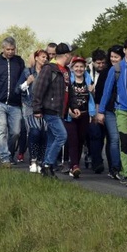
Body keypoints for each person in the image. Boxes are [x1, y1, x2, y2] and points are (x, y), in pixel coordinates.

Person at [96, 38, 127, 186]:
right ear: (124, 51)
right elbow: (107, 91)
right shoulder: (116, 69)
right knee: (124, 142)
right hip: (121, 111)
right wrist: (101, 111)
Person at [0, 36, 26, 167]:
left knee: (15, 132)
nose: (10, 52)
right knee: (1, 131)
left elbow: (22, 82)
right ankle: (5, 158)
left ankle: (10, 153)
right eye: (8, 49)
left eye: (13, 49)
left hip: (15, 103)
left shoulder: (19, 62)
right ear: (3, 48)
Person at [31, 43, 72, 178]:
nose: (71, 56)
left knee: (52, 138)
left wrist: (73, 107)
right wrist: (37, 108)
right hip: (50, 109)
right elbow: (38, 89)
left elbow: (68, 91)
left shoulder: (66, 70)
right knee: (62, 136)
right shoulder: (50, 69)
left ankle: (46, 168)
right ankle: (48, 164)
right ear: (66, 55)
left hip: (61, 111)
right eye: (70, 54)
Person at [64, 56, 95, 179]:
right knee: (73, 139)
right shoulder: (68, 80)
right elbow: (65, 98)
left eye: (81, 66)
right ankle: (75, 165)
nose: (79, 69)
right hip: (70, 115)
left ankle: (74, 165)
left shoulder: (88, 79)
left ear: (85, 68)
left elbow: (91, 99)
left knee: (81, 140)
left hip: (84, 114)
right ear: (72, 68)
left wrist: (92, 91)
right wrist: (69, 111)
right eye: (76, 66)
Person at [18, 50, 48, 172]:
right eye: (42, 57)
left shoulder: (48, 72)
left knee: (44, 133)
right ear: (36, 58)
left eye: (46, 57)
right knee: (34, 132)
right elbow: (18, 89)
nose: (45, 59)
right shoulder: (28, 71)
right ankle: (33, 160)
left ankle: (41, 160)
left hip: (45, 107)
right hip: (29, 106)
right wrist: (27, 82)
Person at [100, 45, 124, 179]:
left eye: (116, 57)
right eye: (112, 57)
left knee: (124, 139)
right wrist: (100, 110)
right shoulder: (107, 72)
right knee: (114, 139)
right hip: (110, 110)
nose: (114, 59)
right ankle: (115, 168)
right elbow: (103, 93)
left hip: (124, 109)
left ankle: (125, 166)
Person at [87, 49, 108, 174]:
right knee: (95, 134)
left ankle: (95, 156)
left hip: (104, 106)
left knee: (101, 135)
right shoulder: (87, 72)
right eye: (98, 63)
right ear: (93, 62)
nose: (100, 65)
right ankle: (96, 161)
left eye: (102, 63)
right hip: (91, 106)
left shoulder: (107, 72)